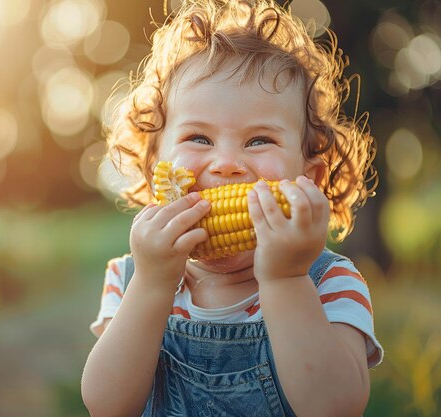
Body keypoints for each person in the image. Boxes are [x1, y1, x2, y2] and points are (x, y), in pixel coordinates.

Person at [81, 0, 383, 416]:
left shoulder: (329, 282)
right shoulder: (131, 277)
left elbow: (335, 406)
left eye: (259, 140)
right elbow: (107, 405)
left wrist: (285, 279)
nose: (226, 163)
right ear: (156, 172)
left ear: (308, 179)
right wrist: (152, 285)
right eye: (199, 139)